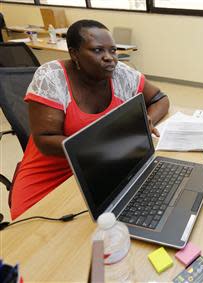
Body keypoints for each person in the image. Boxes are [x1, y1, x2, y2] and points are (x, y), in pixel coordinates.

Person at [10, 20, 169, 220]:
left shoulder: (120, 73)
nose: (109, 58)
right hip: (51, 175)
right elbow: (45, 141)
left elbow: (160, 99)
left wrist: (146, 120)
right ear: (74, 53)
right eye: (97, 50)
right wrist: (104, 145)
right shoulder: (51, 78)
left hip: (100, 169)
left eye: (113, 50)